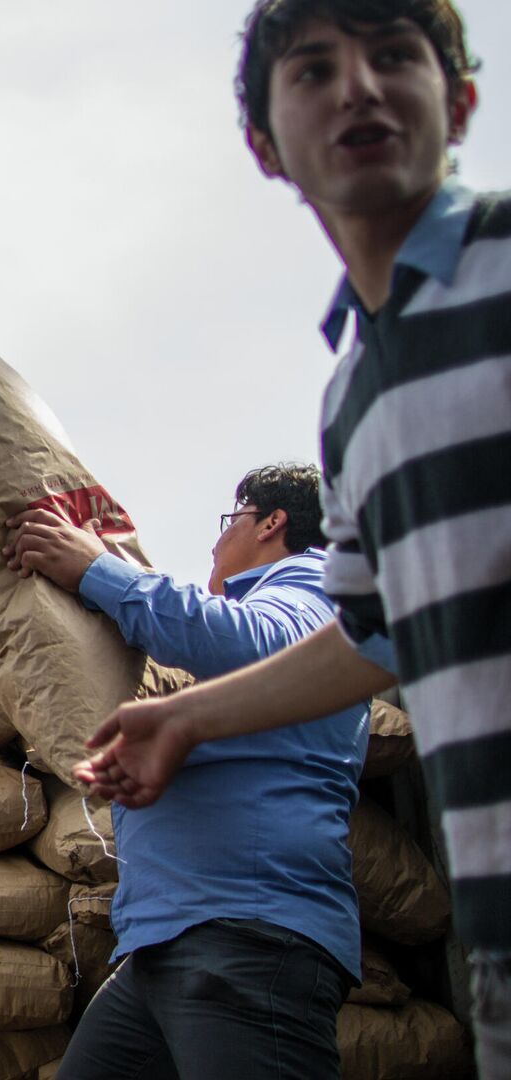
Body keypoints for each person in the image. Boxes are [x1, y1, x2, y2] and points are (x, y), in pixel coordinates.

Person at [75, 1, 508, 1072]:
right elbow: (375, 635)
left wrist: (97, 571)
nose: (357, 84)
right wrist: (185, 721)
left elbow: (297, 632)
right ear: (267, 145)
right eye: (314, 69)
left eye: (394, 56)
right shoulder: (359, 394)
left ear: (456, 101)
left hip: (252, 934)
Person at [7, 464, 365, 1078]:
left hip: (248, 938)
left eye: (231, 522)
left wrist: (97, 570)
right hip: (168, 947)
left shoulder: (312, 581)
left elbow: (255, 640)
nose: (216, 543)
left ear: (272, 522)